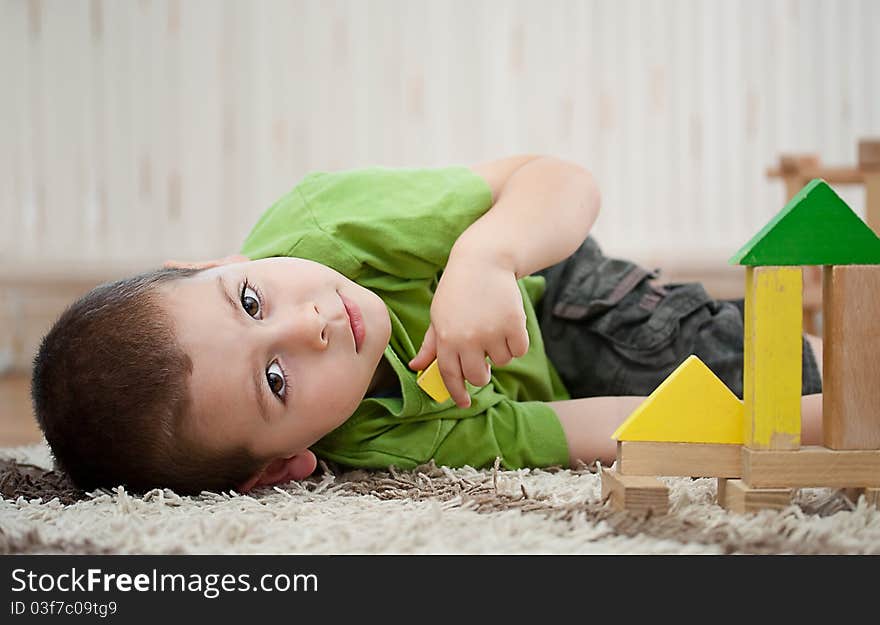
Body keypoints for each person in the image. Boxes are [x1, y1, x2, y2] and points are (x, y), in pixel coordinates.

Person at [30, 155, 824, 496]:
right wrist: (779, 430)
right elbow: (580, 430)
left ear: (207, 260)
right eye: (274, 380)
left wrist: (485, 257)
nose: (308, 325)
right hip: (565, 380)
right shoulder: (381, 437)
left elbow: (558, 178)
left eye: (248, 299)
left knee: (771, 365)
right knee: (744, 420)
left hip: (562, 293)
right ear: (282, 465)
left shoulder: (328, 225)